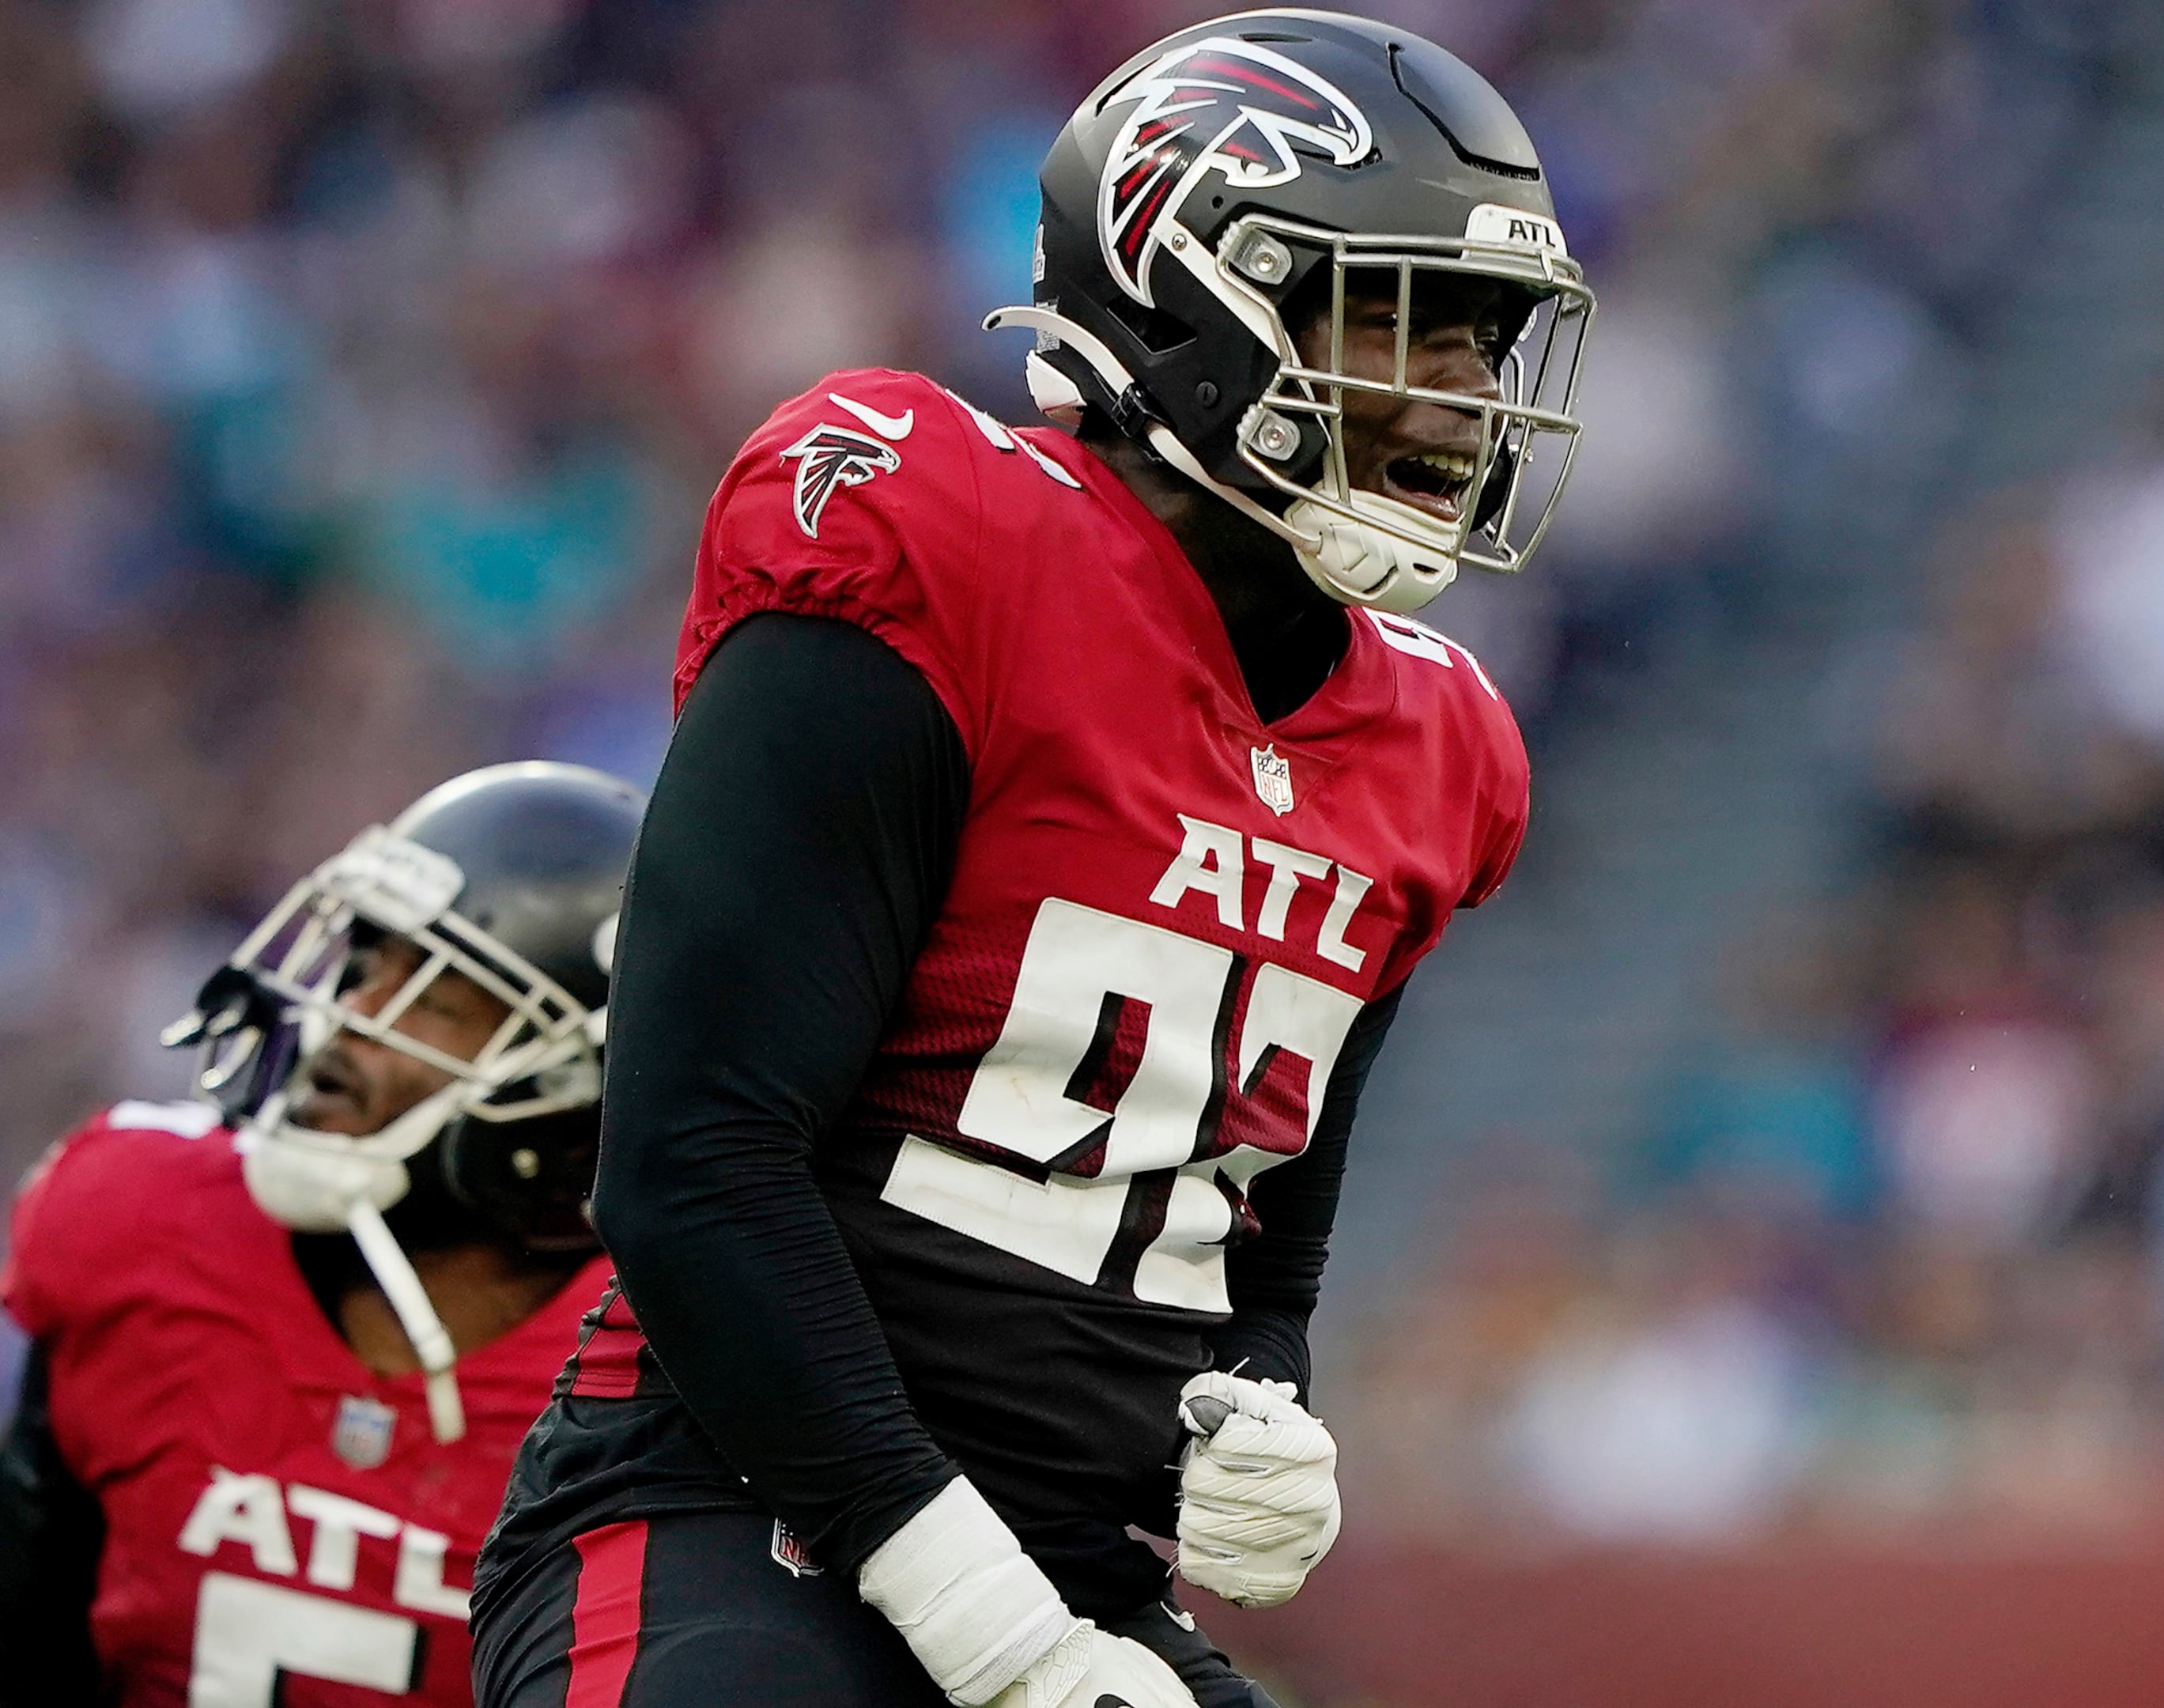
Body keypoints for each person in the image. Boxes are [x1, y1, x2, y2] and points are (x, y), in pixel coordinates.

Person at [467, 12, 1591, 1708]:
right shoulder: (945, 540)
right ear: (1189, 292)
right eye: (1401, 323)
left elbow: (1256, 1219)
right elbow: (691, 1160)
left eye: (1483, 342)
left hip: (1074, 1576)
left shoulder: (1440, 750)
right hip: (733, 1519)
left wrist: (1263, 1406)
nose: (1454, 397)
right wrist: (999, 1640)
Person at [0, 761, 643, 1707]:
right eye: (360, 969)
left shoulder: (656, 1371)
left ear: (576, 1085)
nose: (344, 1026)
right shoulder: (144, 1224)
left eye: (432, 997)